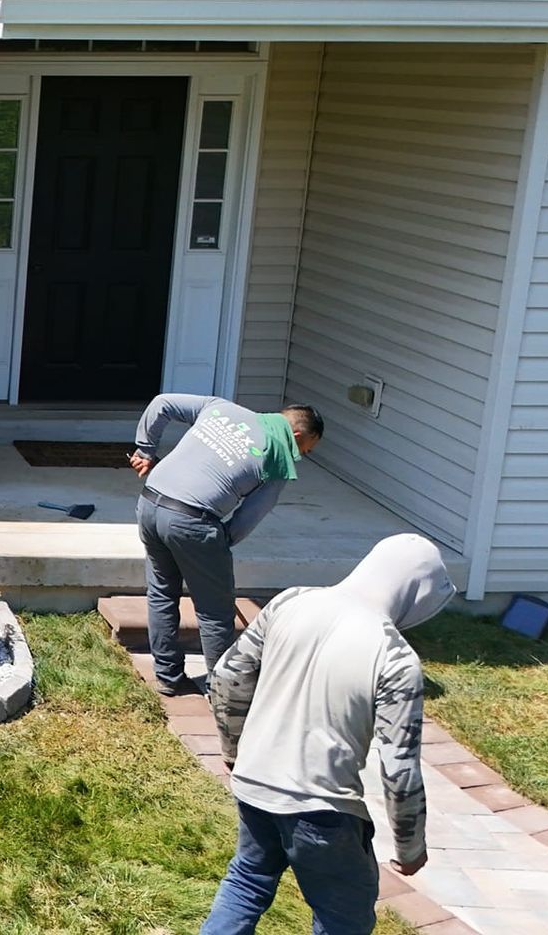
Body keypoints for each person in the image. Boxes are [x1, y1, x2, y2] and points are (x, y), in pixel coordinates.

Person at [200, 533, 455, 935]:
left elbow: (229, 677)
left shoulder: (291, 601)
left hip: (253, 786)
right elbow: (400, 769)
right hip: (322, 811)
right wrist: (410, 848)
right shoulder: (396, 658)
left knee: (247, 882)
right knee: (344, 920)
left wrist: (233, 750)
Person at [129, 396, 324, 696]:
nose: (299, 456)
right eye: (305, 450)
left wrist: (146, 449)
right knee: (215, 612)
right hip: (192, 520)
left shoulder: (222, 408)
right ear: (296, 436)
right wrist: (220, 543)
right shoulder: (278, 455)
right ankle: (221, 693)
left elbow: (162, 403)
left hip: (150, 502)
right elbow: (250, 516)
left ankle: (167, 677)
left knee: (162, 593)